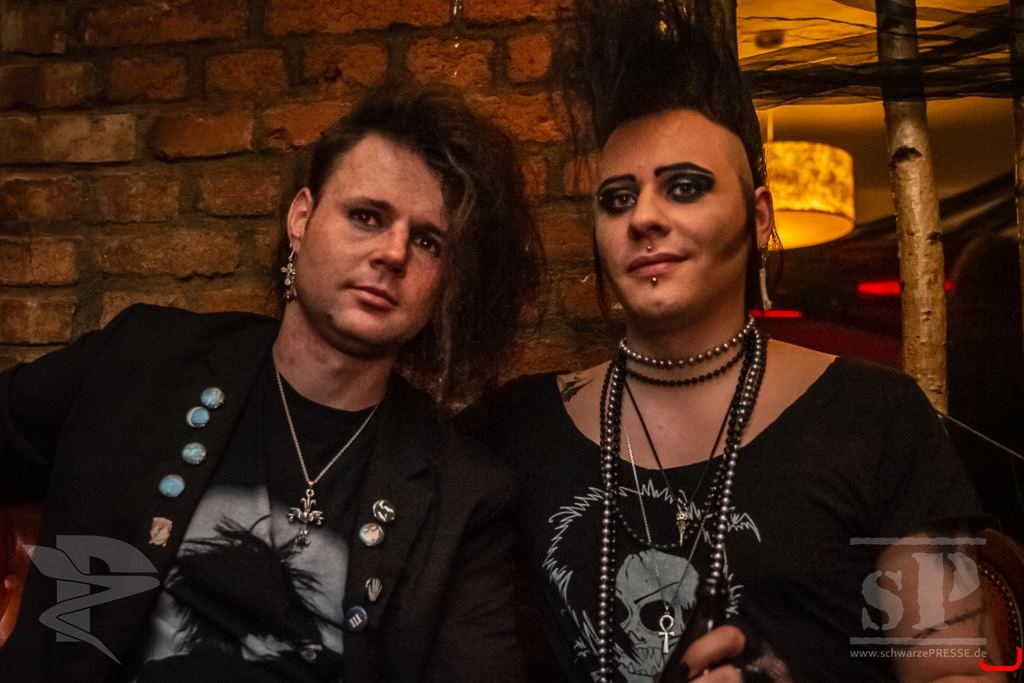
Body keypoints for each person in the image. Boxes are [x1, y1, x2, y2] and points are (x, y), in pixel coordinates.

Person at [460, 1, 996, 680]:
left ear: (759, 216)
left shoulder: (877, 418)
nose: (644, 216)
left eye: (684, 187)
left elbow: (954, 671)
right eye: (617, 198)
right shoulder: (517, 429)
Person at [0, 82, 543, 681]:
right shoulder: (141, 361)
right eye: (366, 216)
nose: (393, 253)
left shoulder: (462, 495)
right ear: (301, 219)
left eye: (426, 240)